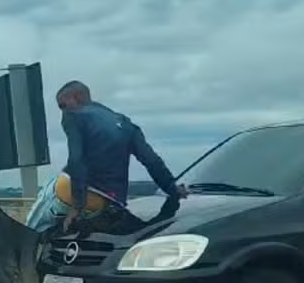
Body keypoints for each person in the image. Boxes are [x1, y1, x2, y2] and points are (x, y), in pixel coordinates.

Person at [26, 80, 187, 233]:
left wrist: (78, 206)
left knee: (33, 229)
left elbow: (76, 161)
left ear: (75, 97)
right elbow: (152, 161)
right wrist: (173, 189)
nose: (62, 110)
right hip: (109, 201)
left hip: (70, 192)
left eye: (62, 105)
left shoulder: (74, 116)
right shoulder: (125, 123)